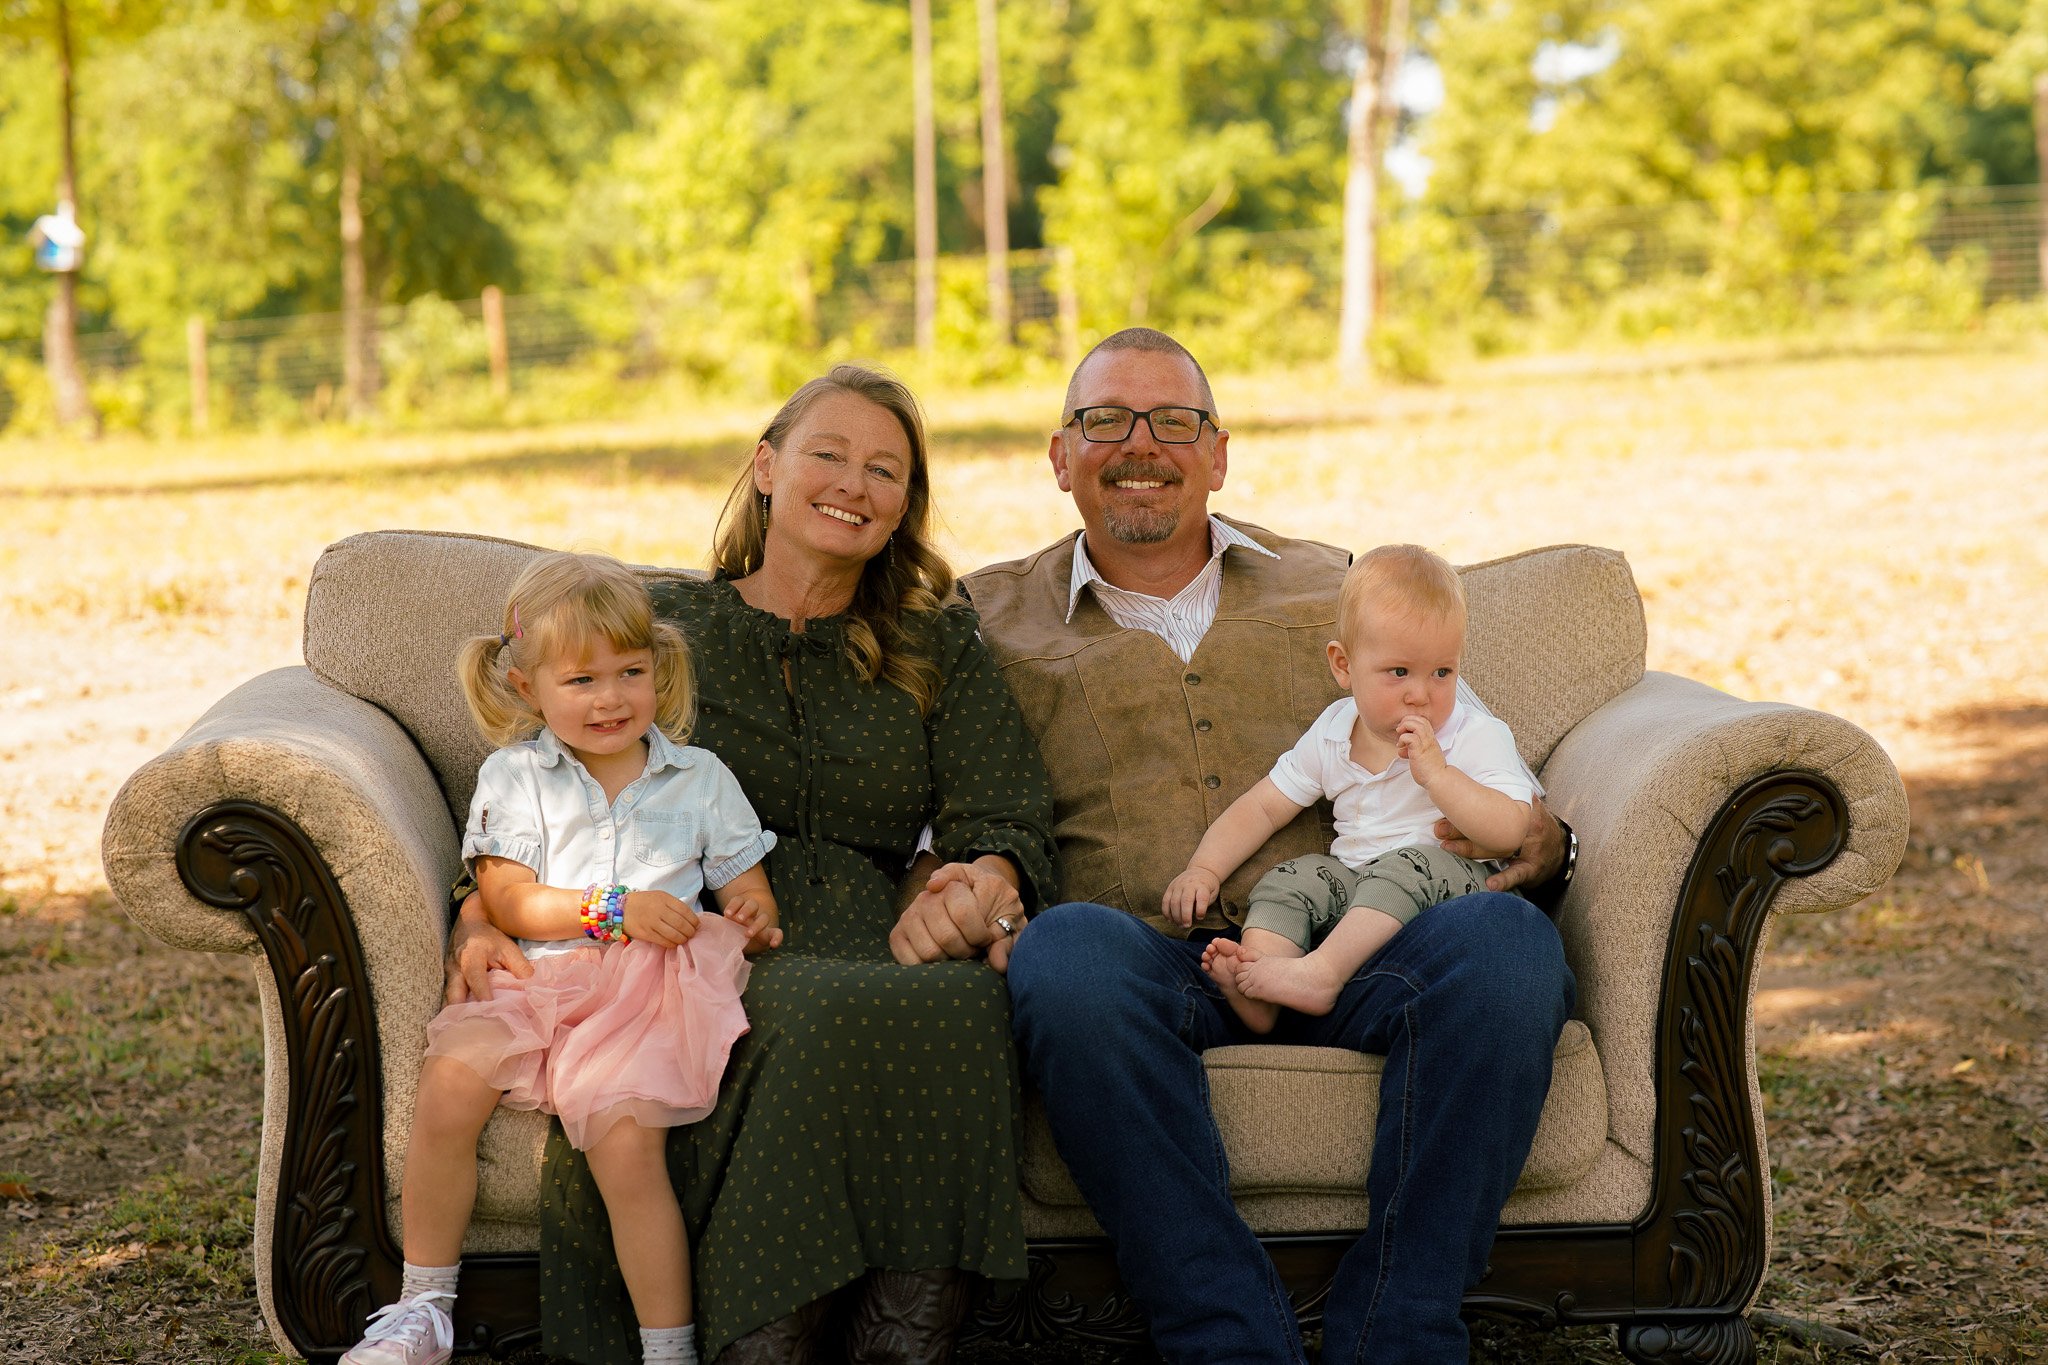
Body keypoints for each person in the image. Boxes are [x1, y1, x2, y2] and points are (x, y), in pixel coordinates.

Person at [936, 327, 1578, 1364]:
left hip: (1359, 940)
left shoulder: (1335, 583)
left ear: (1218, 454)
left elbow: (1468, 739)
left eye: (1174, 421)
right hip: (1150, 959)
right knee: (1065, 959)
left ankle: (1400, 1332)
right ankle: (1226, 1340)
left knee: (1507, 946)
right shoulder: (984, 616)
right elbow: (953, 798)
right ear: (1059, 455)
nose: (1141, 444)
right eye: (1105, 420)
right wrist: (974, 886)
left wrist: (1545, 840)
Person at [445, 365, 1060, 1365]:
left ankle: (897, 1345)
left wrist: (983, 877)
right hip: (708, 929)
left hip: (881, 921)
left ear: (904, 504)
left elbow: (1004, 807)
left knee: (961, 1005)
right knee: (809, 1010)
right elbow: (540, 779)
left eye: (884, 470)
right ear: (767, 467)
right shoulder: (663, 630)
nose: (853, 484)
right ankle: (759, 1341)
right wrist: (477, 915)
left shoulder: (937, 639)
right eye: (829, 454)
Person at [348, 552, 783, 1365]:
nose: (610, 698)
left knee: (626, 1148)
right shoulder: (516, 776)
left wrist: (754, 914)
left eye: (630, 672)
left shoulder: (699, 778)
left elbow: (745, 885)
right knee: (448, 1087)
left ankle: (668, 1349)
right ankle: (423, 1307)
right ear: (528, 686)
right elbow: (509, 900)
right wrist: (613, 909)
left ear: (659, 668)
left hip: (645, 993)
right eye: (582, 680)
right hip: (538, 973)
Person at [1166, 542, 1538, 1034]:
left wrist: (1440, 776)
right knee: (1291, 878)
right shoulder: (1334, 732)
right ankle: (1260, 983)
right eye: (1399, 672)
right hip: (1359, 887)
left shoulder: (1472, 734)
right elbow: (1264, 807)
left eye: (1442, 672)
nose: (1421, 694)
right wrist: (1205, 868)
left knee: (1407, 865)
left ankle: (1322, 974)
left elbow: (1511, 830)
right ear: (1343, 666)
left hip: (1448, 890)